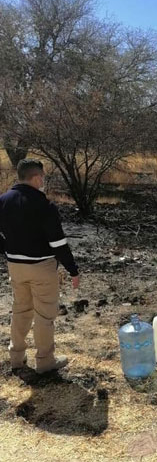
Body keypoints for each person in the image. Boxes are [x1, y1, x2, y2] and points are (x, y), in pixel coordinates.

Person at [0, 159, 80, 373]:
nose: (43, 181)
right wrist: (72, 269)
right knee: (44, 315)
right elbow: (58, 243)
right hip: (41, 267)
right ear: (36, 178)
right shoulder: (44, 205)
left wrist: (8, 251)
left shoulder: (3, 201)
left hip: (15, 266)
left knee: (20, 310)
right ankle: (45, 361)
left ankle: (16, 357)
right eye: (42, 177)